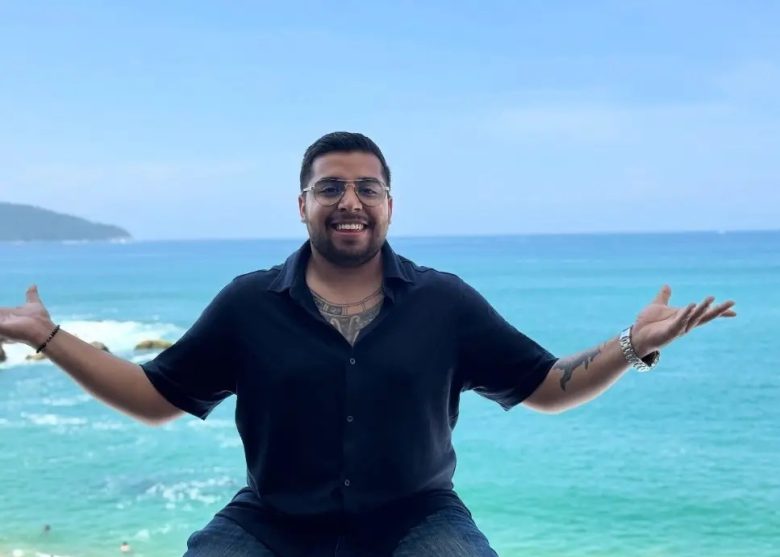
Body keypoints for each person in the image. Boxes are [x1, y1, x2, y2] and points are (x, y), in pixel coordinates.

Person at [0, 132, 736, 557]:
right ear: (303, 205)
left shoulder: (444, 302)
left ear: (389, 204)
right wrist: (48, 336)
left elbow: (545, 386)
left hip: (417, 517)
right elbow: (157, 397)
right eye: (330, 188)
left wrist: (630, 344)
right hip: (273, 521)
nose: (349, 200)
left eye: (367, 187)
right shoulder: (249, 303)